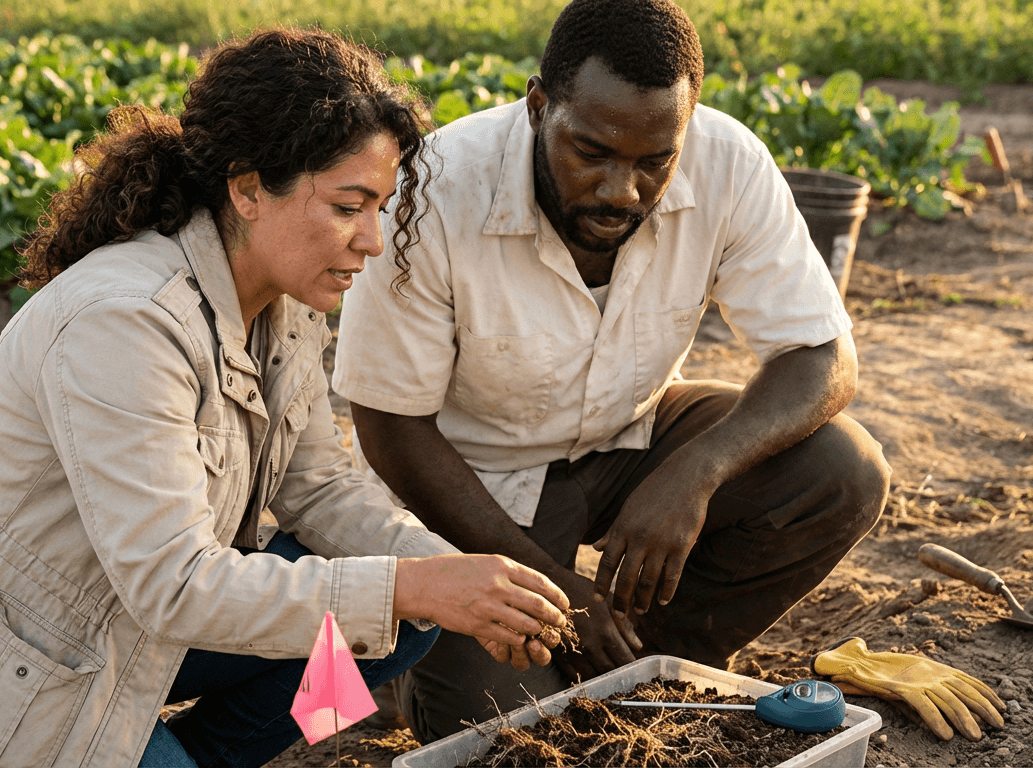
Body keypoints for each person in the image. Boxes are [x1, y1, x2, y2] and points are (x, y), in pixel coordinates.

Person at [0, 28, 571, 768]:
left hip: (116, 628)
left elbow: (318, 487)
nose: (372, 242)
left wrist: (449, 575)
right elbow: (174, 585)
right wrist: (411, 583)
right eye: (350, 207)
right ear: (248, 190)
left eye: (380, 208)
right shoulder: (125, 322)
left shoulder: (285, 305)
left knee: (399, 624)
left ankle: (213, 756)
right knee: (392, 596)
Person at [331, 0, 893, 744]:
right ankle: (403, 667)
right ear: (539, 107)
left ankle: (645, 667)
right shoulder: (434, 188)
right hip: (474, 486)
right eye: (591, 153)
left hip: (631, 435)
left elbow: (823, 357)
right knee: (505, 729)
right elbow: (390, 427)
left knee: (842, 469)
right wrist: (556, 590)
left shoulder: (727, 162)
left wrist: (695, 471)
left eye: (654, 162)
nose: (622, 189)